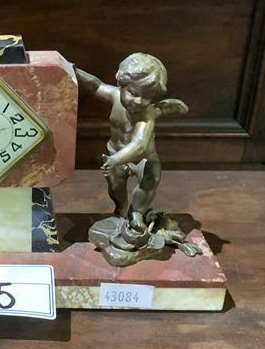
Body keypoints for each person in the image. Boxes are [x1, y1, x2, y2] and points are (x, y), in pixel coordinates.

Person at [75, 53, 187, 232]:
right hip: (116, 154)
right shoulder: (115, 96)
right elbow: (96, 86)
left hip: (143, 158)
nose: (139, 101)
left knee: (151, 179)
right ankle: (120, 209)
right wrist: (74, 71)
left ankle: (136, 212)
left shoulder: (146, 115)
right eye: (133, 94)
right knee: (116, 188)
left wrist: (115, 160)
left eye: (147, 98)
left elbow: (139, 145)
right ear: (121, 84)